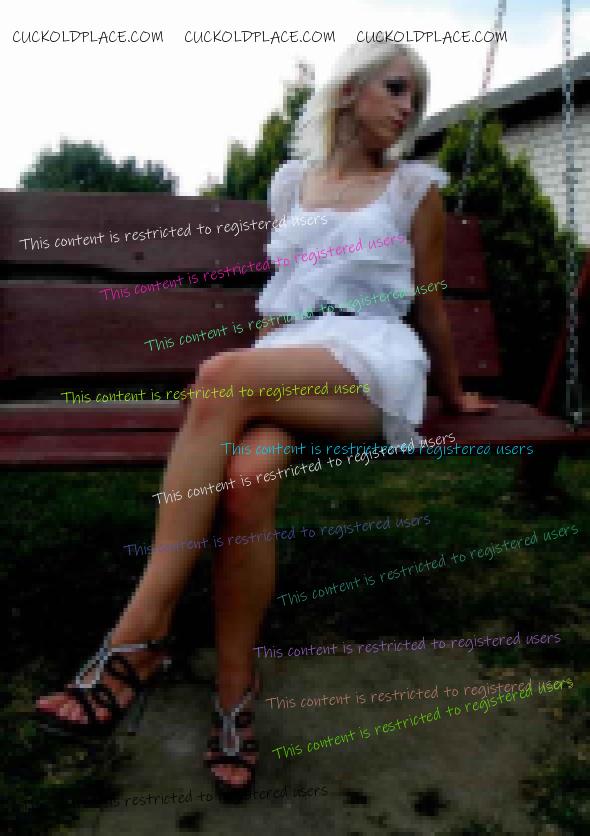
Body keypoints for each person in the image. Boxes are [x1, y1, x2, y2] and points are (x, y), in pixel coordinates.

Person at [35, 40, 495, 801]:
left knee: (218, 377)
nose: (408, 108)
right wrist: (263, 372)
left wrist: (454, 396)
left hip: (371, 362)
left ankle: (138, 635)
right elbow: (288, 297)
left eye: (415, 95)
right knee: (247, 480)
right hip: (288, 363)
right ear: (348, 90)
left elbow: (431, 303)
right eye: (395, 88)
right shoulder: (292, 185)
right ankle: (234, 701)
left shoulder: (415, 189)